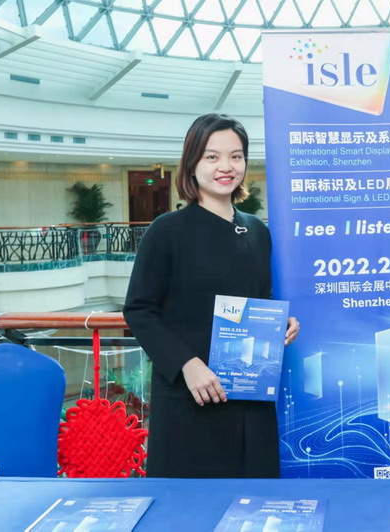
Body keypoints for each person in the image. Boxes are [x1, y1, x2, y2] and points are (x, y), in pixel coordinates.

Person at [123, 114, 299, 478]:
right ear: (192, 164)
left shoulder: (257, 230)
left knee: (254, 498)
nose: (226, 167)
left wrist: (281, 324)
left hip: (251, 398)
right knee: (191, 504)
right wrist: (187, 365)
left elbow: (258, 301)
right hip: (191, 399)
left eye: (236, 156)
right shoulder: (167, 230)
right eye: (212, 157)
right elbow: (139, 309)